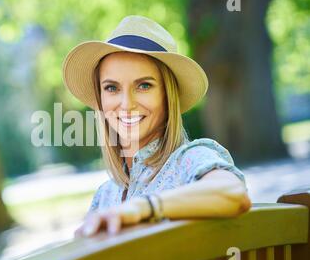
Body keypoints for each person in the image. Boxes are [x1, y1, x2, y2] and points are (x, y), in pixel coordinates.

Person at [62, 15, 251, 237]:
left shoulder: (190, 160)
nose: (126, 104)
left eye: (143, 85)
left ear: (167, 96)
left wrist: (143, 208)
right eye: (111, 88)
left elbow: (234, 193)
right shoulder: (105, 196)